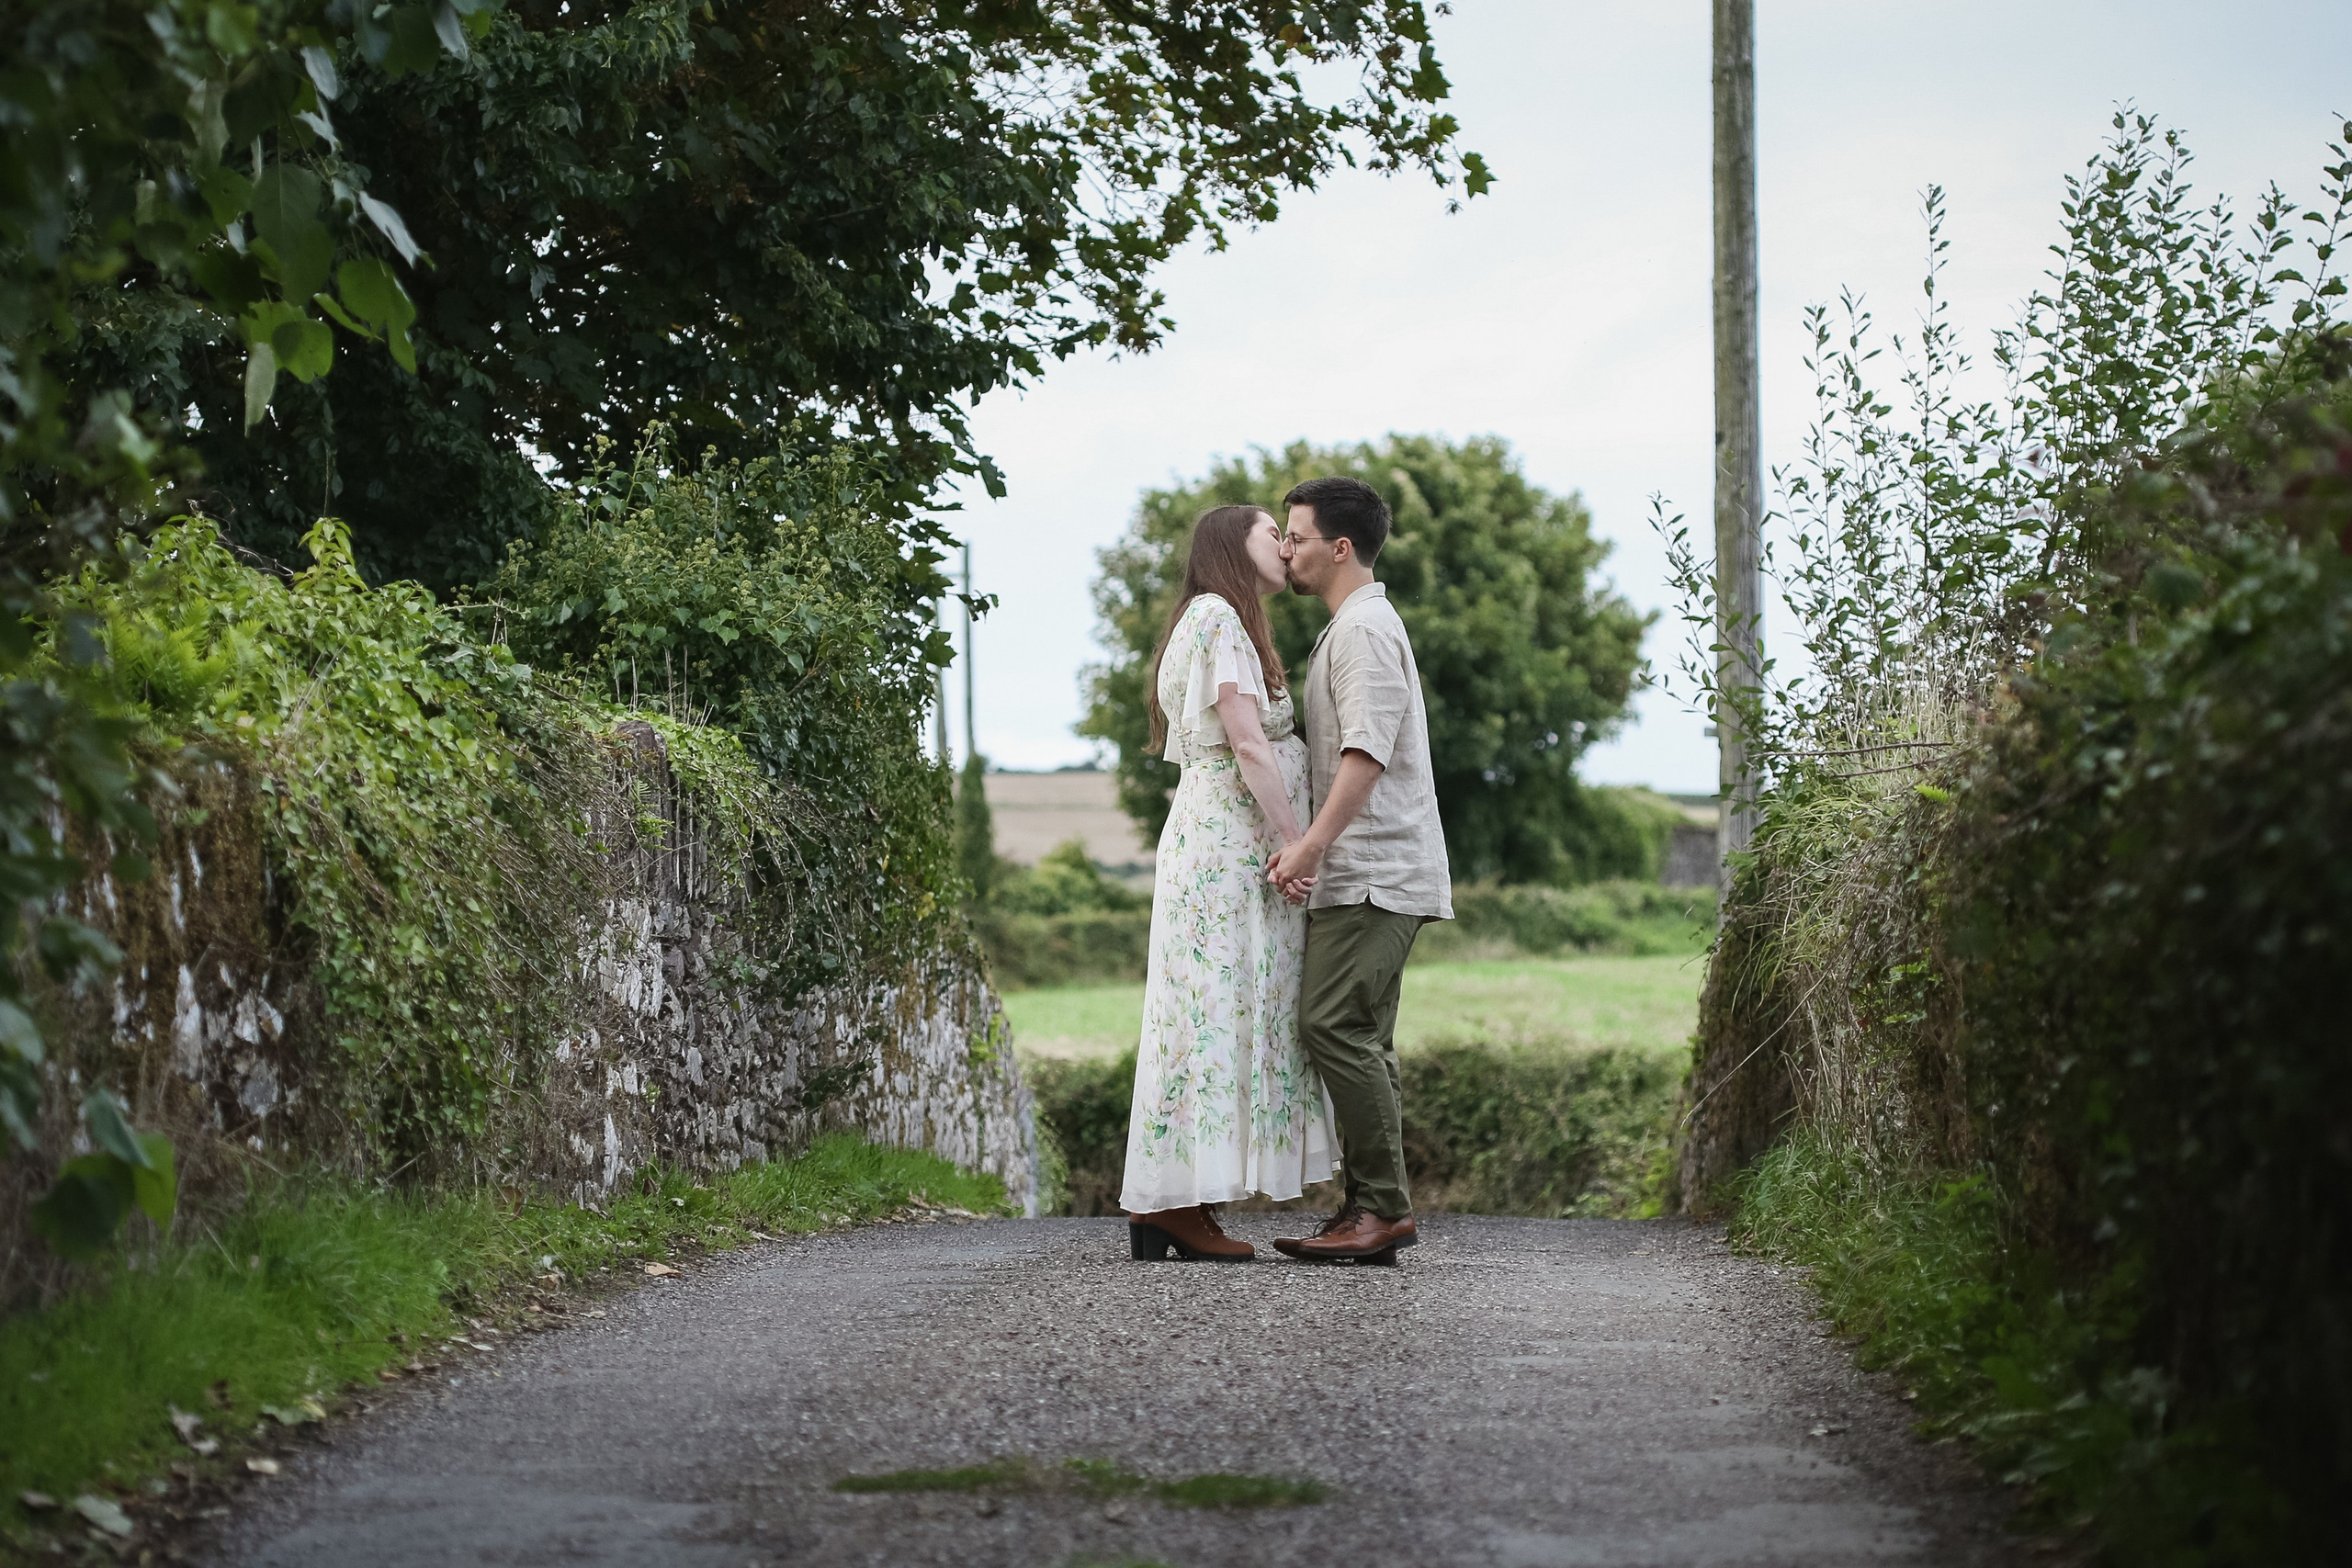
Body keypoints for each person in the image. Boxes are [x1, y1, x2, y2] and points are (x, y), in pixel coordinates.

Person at [1119, 504, 1340, 1261]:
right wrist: (1295, 845)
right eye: (1267, 533)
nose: (1283, 545)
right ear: (1230, 547)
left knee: (1209, 1008)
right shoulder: (1216, 616)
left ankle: (1175, 1202)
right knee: (1212, 1007)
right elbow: (1246, 740)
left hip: (1220, 842)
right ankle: (1180, 1203)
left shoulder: (1216, 618)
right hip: (1229, 847)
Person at [1265, 476, 1452, 1262]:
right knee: (1363, 1035)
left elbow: (1365, 753)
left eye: (1297, 536)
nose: (1285, 548)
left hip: (1374, 872)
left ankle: (1382, 1210)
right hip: (1367, 871)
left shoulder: (1364, 631)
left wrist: (1308, 846)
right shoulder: (1350, 627)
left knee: (1331, 1024)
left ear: (1341, 547)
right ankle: (1369, 1211)